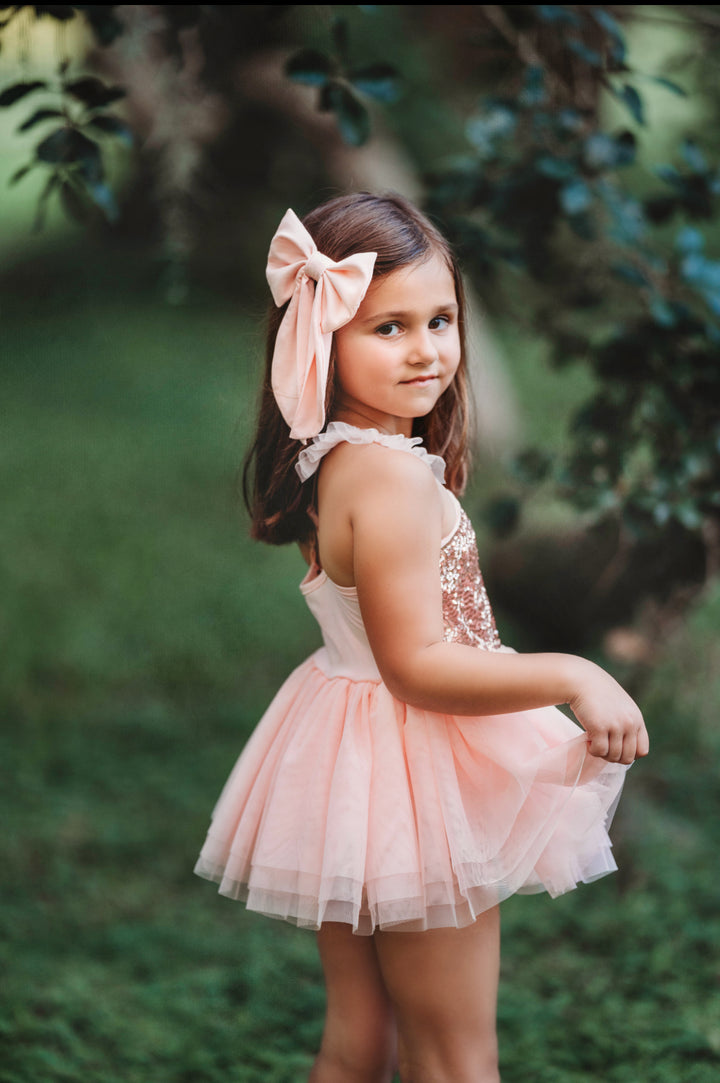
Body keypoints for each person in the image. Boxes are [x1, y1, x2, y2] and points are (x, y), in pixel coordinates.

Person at [194, 192, 649, 1083]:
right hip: (412, 781)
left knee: (362, 1038)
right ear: (322, 340)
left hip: (348, 762)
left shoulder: (336, 456)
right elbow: (416, 667)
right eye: (388, 327)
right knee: (454, 1054)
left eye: (440, 320)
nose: (426, 349)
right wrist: (574, 671)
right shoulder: (393, 481)